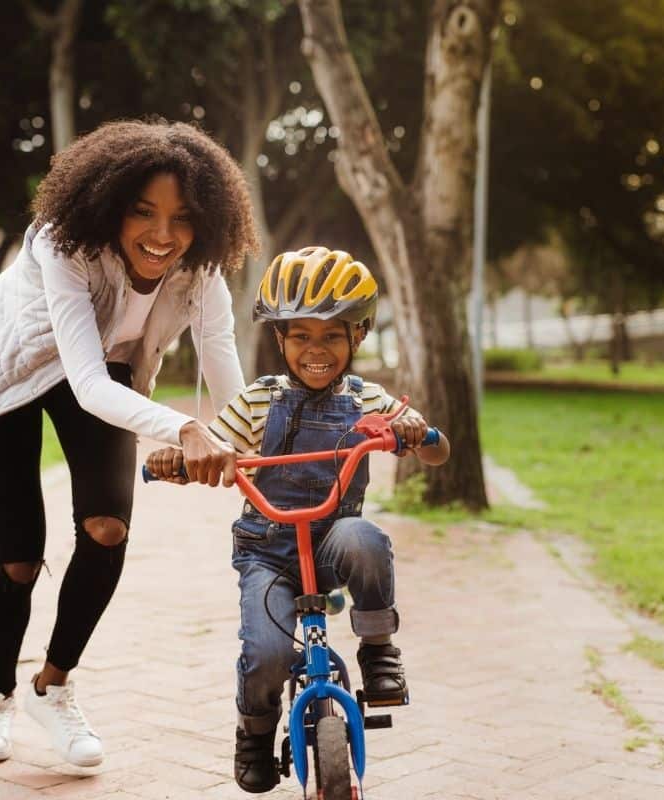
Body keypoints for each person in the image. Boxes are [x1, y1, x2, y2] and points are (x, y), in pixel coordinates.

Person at [0, 119, 259, 767]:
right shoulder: (63, 246)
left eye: (182, 218)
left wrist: (248, 437)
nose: (163, 235)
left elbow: (222, 357)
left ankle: (51, 687)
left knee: (108, 526)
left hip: (105, 368)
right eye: (143, 213)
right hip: (16, 369)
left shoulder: (200, 271)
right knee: (18, 559)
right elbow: (85, 383)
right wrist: (185, 427)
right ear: (109, 206)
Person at [145, 246, 450, 793]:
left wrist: (415, 433)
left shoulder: (368, 400)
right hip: (269, 551)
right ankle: (255, 733)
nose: (316, 350)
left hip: (332, 541)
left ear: (357, 337)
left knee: (366, 538)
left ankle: (378, 649)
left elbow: (437, 451)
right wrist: (183, 458)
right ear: (280, 340)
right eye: (301, 336)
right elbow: (215, 444)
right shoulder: (261, 400)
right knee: (264, 654)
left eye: (332, 335)